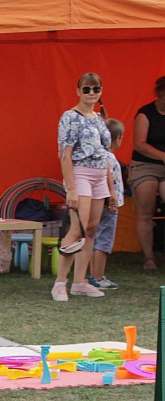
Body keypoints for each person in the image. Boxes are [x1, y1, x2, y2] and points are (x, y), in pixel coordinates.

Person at [51, 72, 110, 301]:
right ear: (78, 91)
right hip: (81, 172)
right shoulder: (70, 116)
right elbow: (64, 154)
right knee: (77, 228)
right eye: (86, 89)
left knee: (92, 229)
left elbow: (105, 153)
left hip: (99, 174)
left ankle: (80, 282)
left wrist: (110, 186)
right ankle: (59, 283)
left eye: (96, 89)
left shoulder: (97, 117)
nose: (91, 93)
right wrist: (72, 189)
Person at [129, 76, 165, 272]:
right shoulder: (145, 114)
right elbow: (139, 144)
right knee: (146, 209)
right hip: (145, 165)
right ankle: (149, 257)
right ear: (160, 94)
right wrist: (163, 156)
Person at [90, 119, 125, 290]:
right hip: (108, 205)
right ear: (118, 138)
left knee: (93, 238)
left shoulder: (97, 157)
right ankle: (98, 276)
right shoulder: (109, 158)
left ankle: (92, 275)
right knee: (104, 241)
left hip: (96, 203)